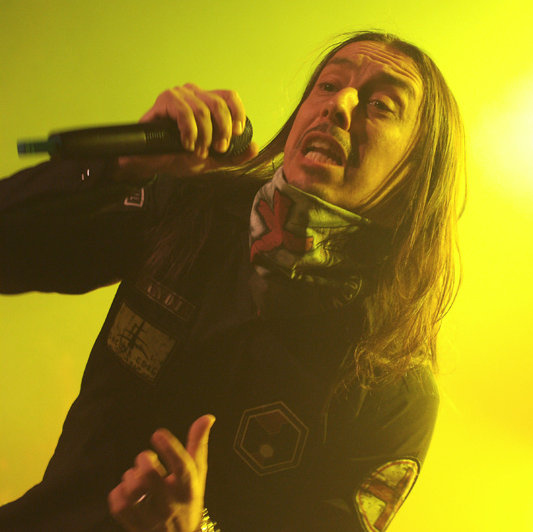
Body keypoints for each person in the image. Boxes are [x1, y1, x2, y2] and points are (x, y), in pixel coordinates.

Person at [0, 30, 464, 532]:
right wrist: (122, 166)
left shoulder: (395, 393)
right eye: (328, 85)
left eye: (381, 103)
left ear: (417, 176)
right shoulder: (191, 207)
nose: (341, 104)